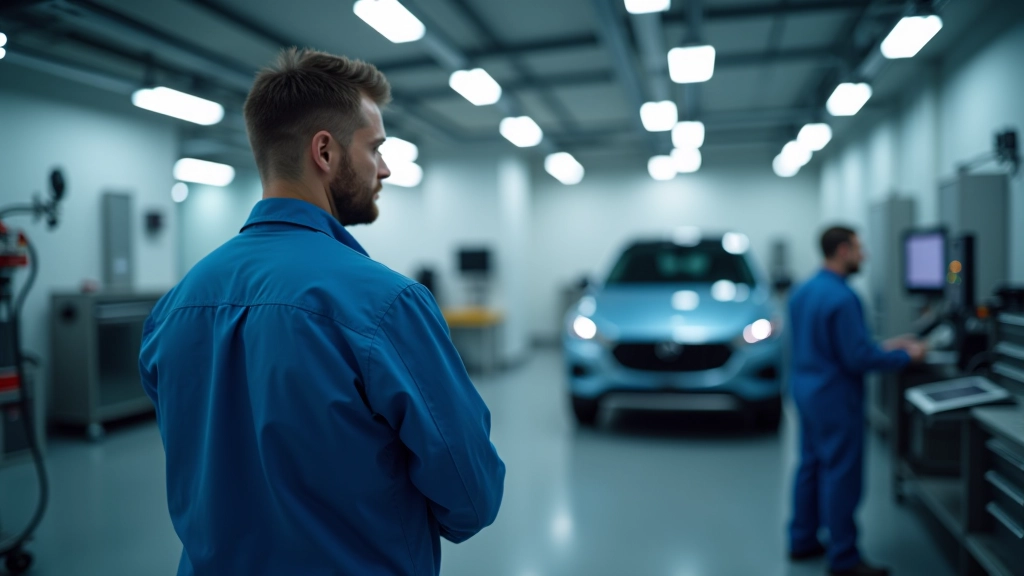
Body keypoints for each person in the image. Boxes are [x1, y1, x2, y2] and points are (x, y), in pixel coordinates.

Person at [139, 49, 505, 576]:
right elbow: (472, 496)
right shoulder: (387, 305)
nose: (385, 167)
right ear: (325, 152)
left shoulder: (175, 307)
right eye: (375, 148)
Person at [787, 226, 926, 576]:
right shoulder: (844, 298)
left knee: (810, 466)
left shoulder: (803, 291)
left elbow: (833, 347)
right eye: (860, 249)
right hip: (836, 398)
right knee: (841, 475)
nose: (864, 256)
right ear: (843, 250)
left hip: (806, 392)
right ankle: (844, 558)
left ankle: (802, 540)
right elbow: (856, 359)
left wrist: (884, 346)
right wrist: (907, 358)